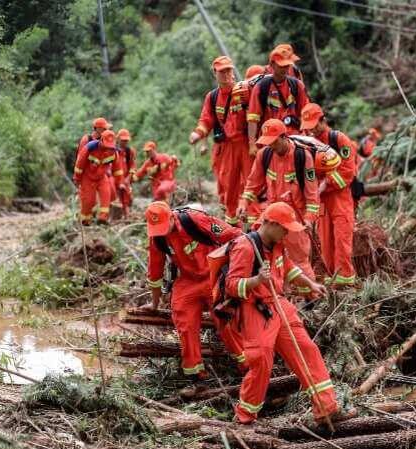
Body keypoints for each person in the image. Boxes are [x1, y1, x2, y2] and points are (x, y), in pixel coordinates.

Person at [224, 201, 338, 424]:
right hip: (257, 309)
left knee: (307, 349)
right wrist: (257, 280)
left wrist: (311, 284)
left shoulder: (277, 244)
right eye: (284, 228)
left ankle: (326, 409)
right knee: (261, 359)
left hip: (280, 304)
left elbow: (287, 267)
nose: (287, 232)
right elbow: (231, 285)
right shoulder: (246, 247)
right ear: (270, 223)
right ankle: (245, 418)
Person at [143, 201, 243, 376]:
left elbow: (234, 235)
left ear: (172, 217)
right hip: (188, 280)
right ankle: (196, 373)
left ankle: (247, 362)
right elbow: (155, 274)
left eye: (164, 226)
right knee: (184, 320)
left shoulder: (194, 219)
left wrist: (237, 269)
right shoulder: (157, 238)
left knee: (225, 320)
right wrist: (154, 303)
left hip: (214, 275)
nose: (162, 231)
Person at [237, 119, 319, 283]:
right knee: (264, 254)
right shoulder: (264, 154)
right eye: (268, 142)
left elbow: (312, 196)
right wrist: (243, 203)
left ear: (284, 137)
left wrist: (309, 220)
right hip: (271, 216)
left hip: (294, 219)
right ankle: (279, 296)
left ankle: (311, 300)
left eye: (274, 142)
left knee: (299, 260)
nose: (271, 146)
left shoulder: (302, 157)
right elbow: (253, 183)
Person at [189, 56, 252, 226]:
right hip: (226, 147)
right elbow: (206, 120)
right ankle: (233, 229)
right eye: (222, 71)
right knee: (228, 187)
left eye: (229, 70)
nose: (226, 74)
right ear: (214, 73)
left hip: (247, 145)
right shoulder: (213, 97)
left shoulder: (244, 91)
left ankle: (257, 227)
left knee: (252, 184)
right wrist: (198, 134)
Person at [300, 103, 358, 288]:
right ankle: (332, 281)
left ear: (323, 120)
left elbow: (348, 172)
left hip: (340, 199)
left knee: (342, 240)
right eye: (309, 127)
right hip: (321, 200)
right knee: (325, 242)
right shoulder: (308, 143)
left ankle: (346, 282)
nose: (313, 131)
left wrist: (326, 183)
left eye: (315, 125)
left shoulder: (338, 139)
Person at [247, 45, 311, 156]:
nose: (285, 69)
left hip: (294, 137)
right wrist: (252, 144)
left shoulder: (296, 85)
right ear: (272, 65)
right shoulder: (261, 87)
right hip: (271, 140)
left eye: (287, 66)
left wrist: (308, 134)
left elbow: (304, 112)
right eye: (281, 66)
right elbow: (253, 118)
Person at [73, 130, 123, 225]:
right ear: (101, 140)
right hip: (87, 177)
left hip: (101, 177)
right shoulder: (89, 147)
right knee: (88, 201)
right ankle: (85, 221)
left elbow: (117, 169)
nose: (107, 148)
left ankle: (102, 219)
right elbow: (79, 164)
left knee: (106, 195)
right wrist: (77, 178)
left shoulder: (113, 152)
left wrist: (119, 182)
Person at [114, 128, 136, 218]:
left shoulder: (129, 151)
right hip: (116, 178)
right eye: (123, 140)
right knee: (117, 198)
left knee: (128, 198)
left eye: (126, 140)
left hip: (126, 178)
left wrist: (129, 177)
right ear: (118, 139)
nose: (125, 142)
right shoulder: (113, 150)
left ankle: (126, 215)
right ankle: (118, 217)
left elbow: (132, 166)